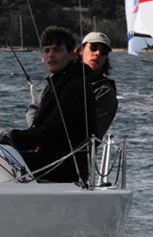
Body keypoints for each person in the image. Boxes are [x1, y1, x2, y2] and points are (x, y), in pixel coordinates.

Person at [6, 26, 96, 183]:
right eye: (47, 50)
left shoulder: (76, 85)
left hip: (64, 168)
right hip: (50, 159)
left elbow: (53, 132)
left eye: (57, 50)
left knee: (1, 158)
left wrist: (11, 137)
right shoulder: (57, 81)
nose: (51, 55)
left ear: (71, 54)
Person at [79, 31, 118, 139]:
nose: (98, 53)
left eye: (104, 51)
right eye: (93, 47)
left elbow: (90, 132)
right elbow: (36, 108)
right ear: (80, 51)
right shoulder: (62, 77)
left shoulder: (105, 91)